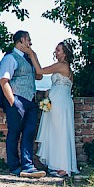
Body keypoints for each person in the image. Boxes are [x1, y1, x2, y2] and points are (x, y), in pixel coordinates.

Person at [0, 30, 46, 178]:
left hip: (30, 100)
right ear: (22, 40)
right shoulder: (10, 58)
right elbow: (4, 81)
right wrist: (13, 102)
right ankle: (14, 167)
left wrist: (33, 55)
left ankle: (28, 166)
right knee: (14, 133)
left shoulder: (28, 58)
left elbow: (39, 75)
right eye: (29, 40)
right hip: (17, 99)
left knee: (29, 133)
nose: (31, 43)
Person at [35, 41, 80, 178]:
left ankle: (64, 167)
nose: (56, 52)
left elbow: (40, 71)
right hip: (58, 101)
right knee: (57, 133)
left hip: (60, 102)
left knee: (60, 133)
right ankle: (58, 165)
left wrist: (32, 54)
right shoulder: (66, 67)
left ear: (65, 53)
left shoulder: (62, 65)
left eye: (58, 50)